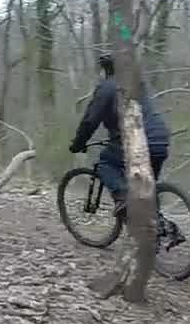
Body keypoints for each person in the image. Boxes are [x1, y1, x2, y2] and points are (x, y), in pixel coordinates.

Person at [70, 53, 171, 226]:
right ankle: (158, 228)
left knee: (105, 163)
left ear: (106, 70)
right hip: (160, 140)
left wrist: (78, 143)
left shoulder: (107, 88)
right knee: (146, 189)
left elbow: (90, 120)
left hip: (137, 140)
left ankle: (123, 198)